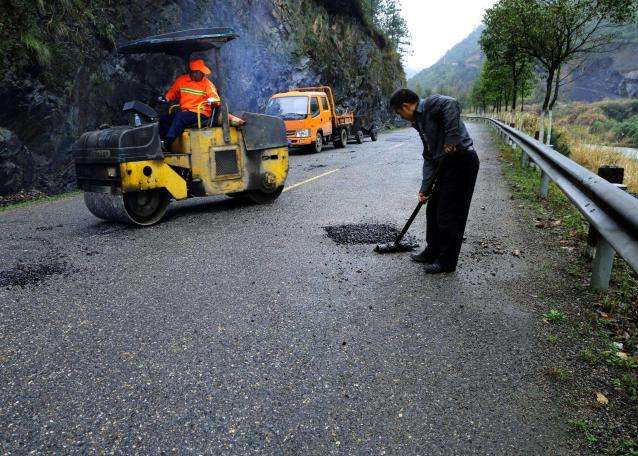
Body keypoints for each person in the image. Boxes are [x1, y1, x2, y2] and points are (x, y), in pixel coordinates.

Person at [389, 89, 479, 274]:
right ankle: (432, 251)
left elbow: (452, 103)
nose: (402, 117)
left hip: (461, 161)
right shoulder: (420, 123)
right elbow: (429, 157)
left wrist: (452, 139)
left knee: (449, 214)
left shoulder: (431, 104)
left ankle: (447, 262)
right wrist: (425, 188)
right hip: (444, 165)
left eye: (399, 113)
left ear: (406, 106)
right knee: (432, 211)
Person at [158, 59, 244, 148]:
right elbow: (173, 92)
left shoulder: (207, 84)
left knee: (180, 117)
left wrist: (212, 100)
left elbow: (216, 99)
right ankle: (161, 142)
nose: (203, 74)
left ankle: (167, 143)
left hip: (200, 113)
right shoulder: (181, 80)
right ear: (193, 73)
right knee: (164, 119)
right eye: (201, 72)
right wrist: (166, 99)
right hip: (186, 112)